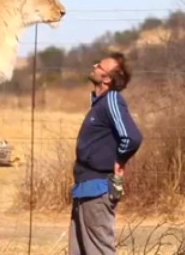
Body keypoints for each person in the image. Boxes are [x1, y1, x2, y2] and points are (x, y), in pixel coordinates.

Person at [68, 51, 143, 255]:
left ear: (107, 78)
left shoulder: (112, 100)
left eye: (99, 66)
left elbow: (132, 137)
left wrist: (119, 160)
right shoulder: (99, 104)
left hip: (98, 190)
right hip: (84, 190)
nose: (94, 66)